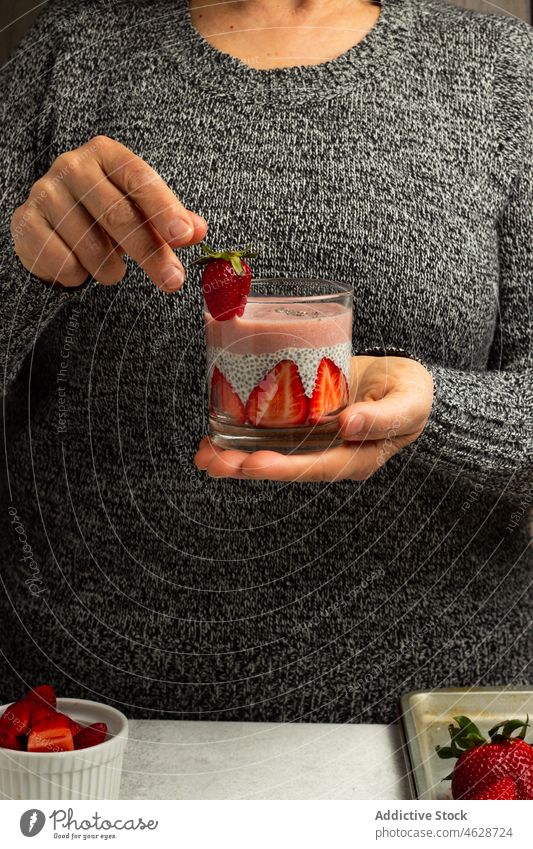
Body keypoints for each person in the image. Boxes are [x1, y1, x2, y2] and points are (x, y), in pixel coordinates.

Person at [0, 0, 531, 723]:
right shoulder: (68, 54)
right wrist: (24, 263)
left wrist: (437, 405)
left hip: (434, 736)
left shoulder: (503, 72)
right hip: (83, 731)